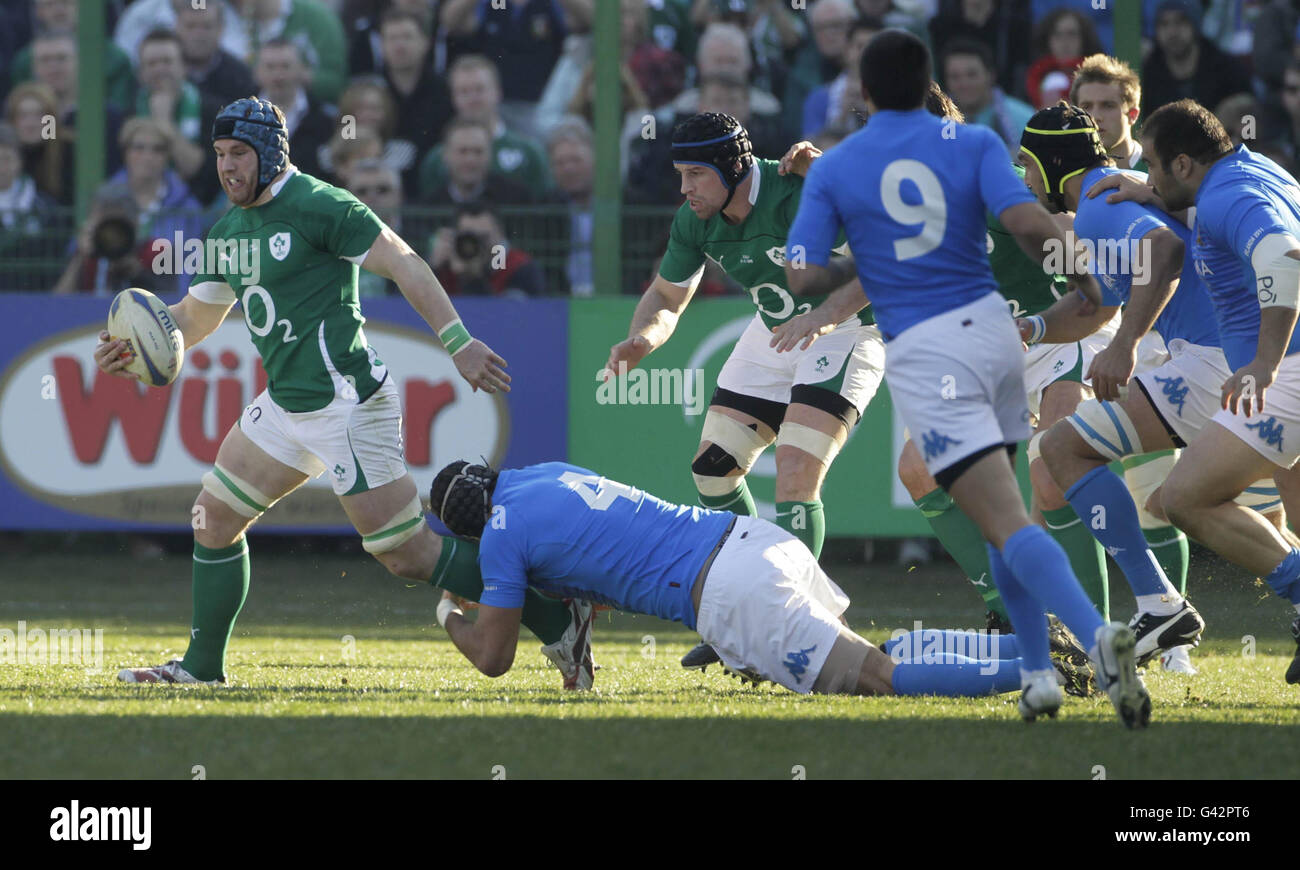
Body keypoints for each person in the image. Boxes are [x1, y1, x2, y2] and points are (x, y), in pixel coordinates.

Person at [95, 97, 592, 691]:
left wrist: (458, 341)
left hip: (348, 405)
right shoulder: (227, 230)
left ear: (272, 154)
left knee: (406, 554)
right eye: (220, 154)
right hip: (285, 406)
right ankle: (202, 668)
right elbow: (192, 320)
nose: (227, 168)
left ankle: (556, 618)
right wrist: (137, 350)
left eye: (239, 155)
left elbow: (405, 261)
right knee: (213, 517)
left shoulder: (319, 204)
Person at [783, 29, 1148, 727]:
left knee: (1019, 501)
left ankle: (1087, 638)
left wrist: (830, 290)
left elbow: (806, 267)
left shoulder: (847, 167)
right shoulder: (977, 148)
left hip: (981, 343)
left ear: (863, 93)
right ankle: (1046, 658)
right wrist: (1081, 276)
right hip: (995, 340)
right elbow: (1031, 227)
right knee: (980, 499)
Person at [426, 459, 1095, 704]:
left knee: (877, 679)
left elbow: (493, 657)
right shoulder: (541, 472)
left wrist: (449, 616)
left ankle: (1040, 672)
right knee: (875, 656)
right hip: (753, 540)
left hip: (728, 589)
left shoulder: (502, 534)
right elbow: (589, 556)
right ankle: (1048, 650)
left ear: (470, 529)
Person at [605, 111, 887, 674]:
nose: (685, 189)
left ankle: (799, 622)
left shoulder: (801, 186)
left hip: (851, 327)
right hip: (775, 330)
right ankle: (754, 603)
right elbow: (666, 295)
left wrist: (828, 315)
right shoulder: (695, 218)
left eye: (695, 174)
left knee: (795, 474)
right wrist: (642, 339)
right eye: (680, 174)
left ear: (735, 167)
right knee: (713, 469)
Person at [1084, 98, 1300, 684]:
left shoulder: (1231, 195)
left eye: (1152, 166)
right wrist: (1149, 195)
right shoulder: (1249, 171)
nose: (1147, 176)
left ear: (1183, 164)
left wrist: (1263, 362)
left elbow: (1283, 260)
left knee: (1182, 500)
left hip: (1289, 371)